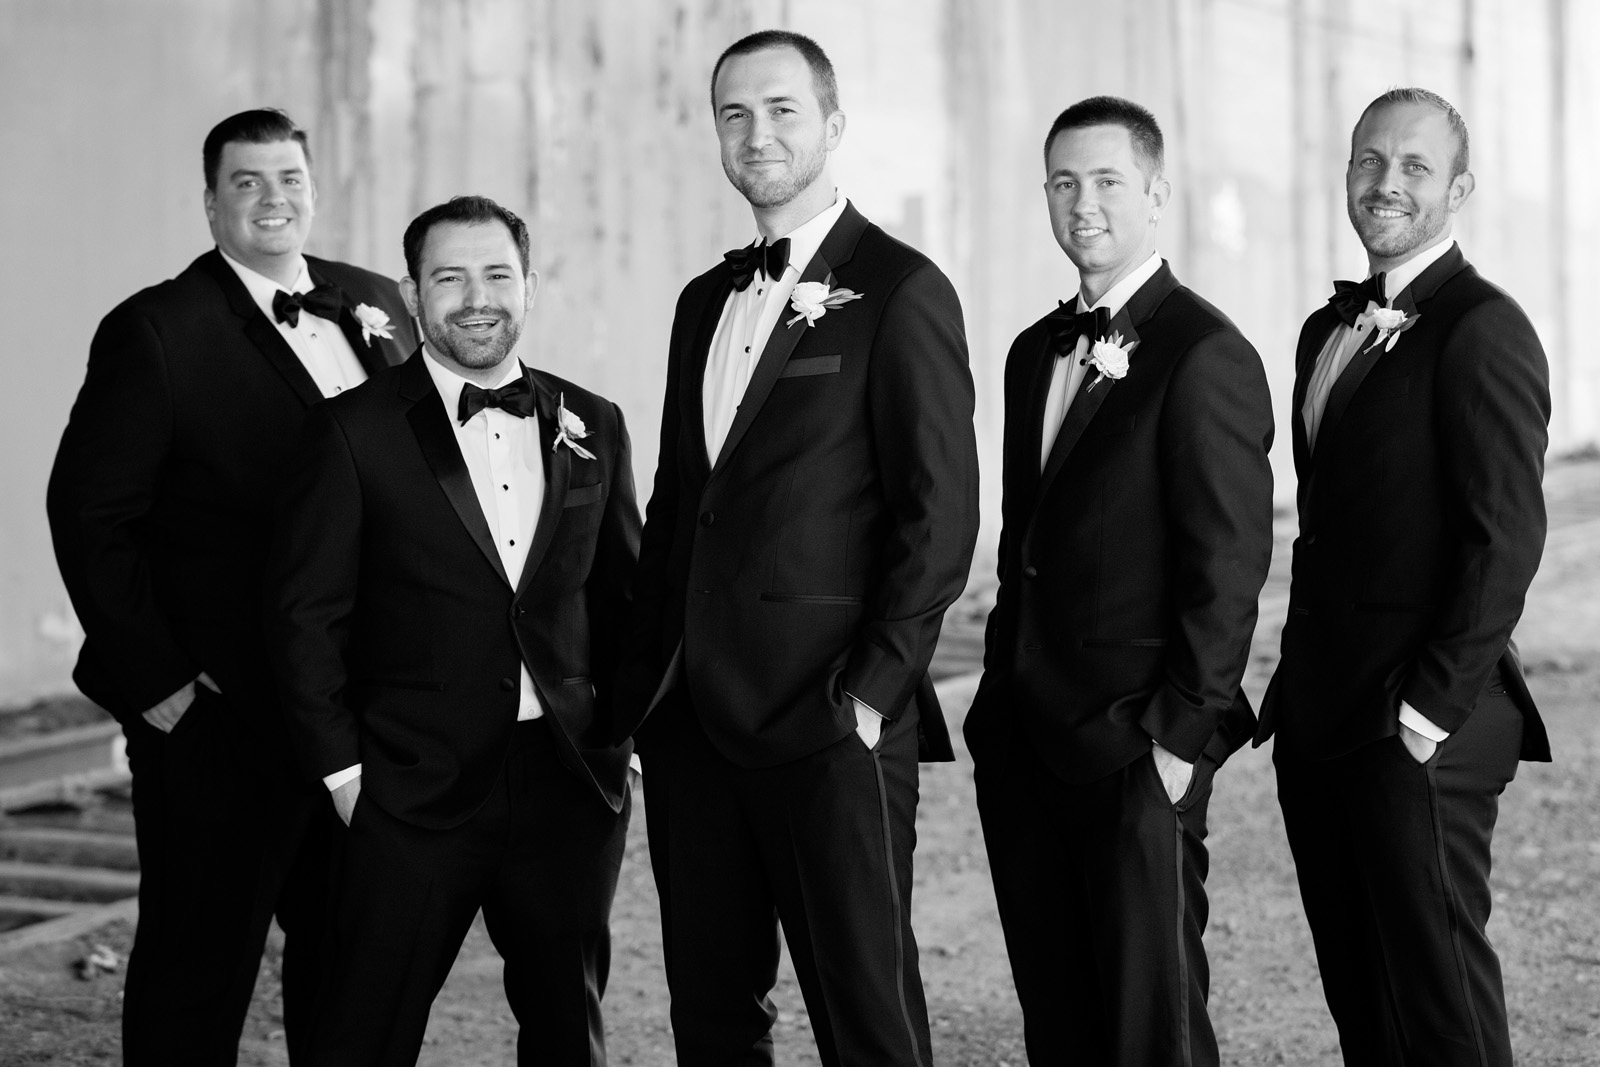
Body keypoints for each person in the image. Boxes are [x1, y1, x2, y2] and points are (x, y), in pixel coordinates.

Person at [612, 29, 980, 1067]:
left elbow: (938, 513)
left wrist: (869, 690)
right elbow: (682, 503)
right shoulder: (701, 302)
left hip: (829, 723)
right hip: (692, 728)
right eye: (734, 114)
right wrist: (646, 694)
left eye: (779, 110)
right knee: (714, 1015)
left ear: (831, 125)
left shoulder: (902, 290)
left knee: (865, 1014)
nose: (755, 133)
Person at [46, 108, 415, 1065]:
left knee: (348, 965)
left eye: (288, 177)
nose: (272, 199)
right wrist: (160, 683)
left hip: (357, 710)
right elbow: (91, 516)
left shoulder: (378, 302)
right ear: (211, 204)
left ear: (315, 188)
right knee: (195, 973)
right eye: (246, 183)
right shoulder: (156, 330)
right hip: (219, 719)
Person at [267, 194, 639, 1066]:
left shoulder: (596, 422)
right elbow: (303, 616)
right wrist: (347, 774)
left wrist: (618, 739)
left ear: (531, 286)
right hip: (406, 787)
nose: (477, 297)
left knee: (566, 1031)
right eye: (450, 277)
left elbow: (626, 594)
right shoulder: (351, 433)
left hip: (565, 785)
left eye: (497, 274)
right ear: (411, 292)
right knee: (362, 1030)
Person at [964, 96, 1274, 1066]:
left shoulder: (1205, 353)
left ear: (1154, 192)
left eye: (1104, 181)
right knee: (1058, 1018)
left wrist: (1176, 743)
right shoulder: (1028, 355)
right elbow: (1028, 544)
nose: (1080, 203)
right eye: (1061, 182)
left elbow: (1226, 567)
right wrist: (993, 712)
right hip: (1024, 742)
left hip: (1135, 748)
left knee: (1153, 1031)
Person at [1255, 88, 1550, 1066]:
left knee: (1440, 1007)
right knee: (1363, 999)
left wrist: (1422, 714)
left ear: (1457, 188)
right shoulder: (1319, 333)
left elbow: (1501, 539)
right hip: (1323, 719)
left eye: (1414, 167)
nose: (1385, 183)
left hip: (1420, 724)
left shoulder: (1484, 329)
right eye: (1368, 161)